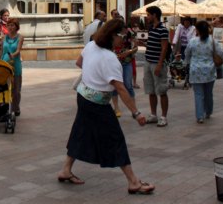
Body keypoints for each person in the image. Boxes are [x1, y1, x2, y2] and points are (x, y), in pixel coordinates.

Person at [57, 18, 154, 195]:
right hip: (98, 104)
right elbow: (121, 89)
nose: (123, 41)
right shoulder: (110, 59)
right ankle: (133, 182)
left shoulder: (91, 46)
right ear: (112, 36)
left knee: (81, 131)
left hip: (83, 96)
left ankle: (65, 169)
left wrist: (93, 72)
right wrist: (136, 113)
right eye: (122, 37)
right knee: (115, 138)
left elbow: (79, 63)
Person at [185, 21, 223, 123]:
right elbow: (222, 54)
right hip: (209, 71)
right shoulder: (213, 41)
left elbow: (187, 54)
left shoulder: (192, 41)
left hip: (195, 71)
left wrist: (189, 63)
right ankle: (208, 111)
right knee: (208, 93)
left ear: (198, 30)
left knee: (198, 94)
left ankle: (200, 116)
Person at [143, 6, 170, 127]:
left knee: (162, 90)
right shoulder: (151, 28)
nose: (147, 17)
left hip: (156, 63)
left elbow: (164, 47)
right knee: (151, 90)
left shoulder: (163, 30)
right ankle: (153, 115)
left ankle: (163, 116)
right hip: (148, 62)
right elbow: (152, 44)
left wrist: (159, 64)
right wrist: (142, 43)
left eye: (148, 15)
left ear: (154, 15)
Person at [111, 24, 138, 117]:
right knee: (115, 86)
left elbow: (136, 48)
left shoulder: (131, 34)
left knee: (128, 84)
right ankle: (116, 108)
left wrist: (128, 52)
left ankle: (134, 109)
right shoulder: (113, 35)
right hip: (115, 62)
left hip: (127, 62)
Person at [2, 18, 24, 116]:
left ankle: (16, 107)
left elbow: (18, 50)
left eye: (12, 25)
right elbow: (1, 50)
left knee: (16, 90)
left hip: (15, 64)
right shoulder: (4, 37)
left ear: (16, 27)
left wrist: (13, 55)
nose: (10, 27)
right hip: (4, 64)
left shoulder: (20, 37)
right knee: (5, 87)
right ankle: (6, 108)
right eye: (9, 25)